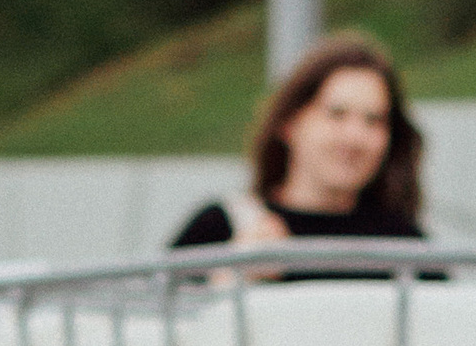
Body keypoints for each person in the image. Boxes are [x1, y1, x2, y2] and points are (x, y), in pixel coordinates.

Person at [169, 33, 428, 255]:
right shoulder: (220, 230)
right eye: (336, 114)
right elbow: (147, 307)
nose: (355, 137)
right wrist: (230, 277)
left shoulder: (404, 247)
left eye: (374, 120)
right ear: (289, 123)